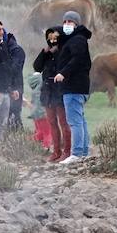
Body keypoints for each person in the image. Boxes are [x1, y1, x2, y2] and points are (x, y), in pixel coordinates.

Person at [52, 10, 93, 164]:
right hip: (79, 86)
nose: (67, 24)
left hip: (73, 86)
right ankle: (83, 152)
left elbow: (77, 60)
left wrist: (63, 73)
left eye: (70, 22)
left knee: (74, 121)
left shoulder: (77, 40)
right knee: (80, 120)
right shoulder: (77, 38)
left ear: (77, 24)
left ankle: (76, 153)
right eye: (65, 21)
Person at [35, 27, 70, 162]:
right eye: (50, 38)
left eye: (55, 38)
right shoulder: (47, 53)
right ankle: (56, 151)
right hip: (47, 90)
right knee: (52, 122)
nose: (52, 40)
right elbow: (37, 67)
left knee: (63, 122)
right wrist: (45, 53)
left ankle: (67, 151)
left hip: (60, 89)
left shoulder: (65, 51)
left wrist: (57, 53)